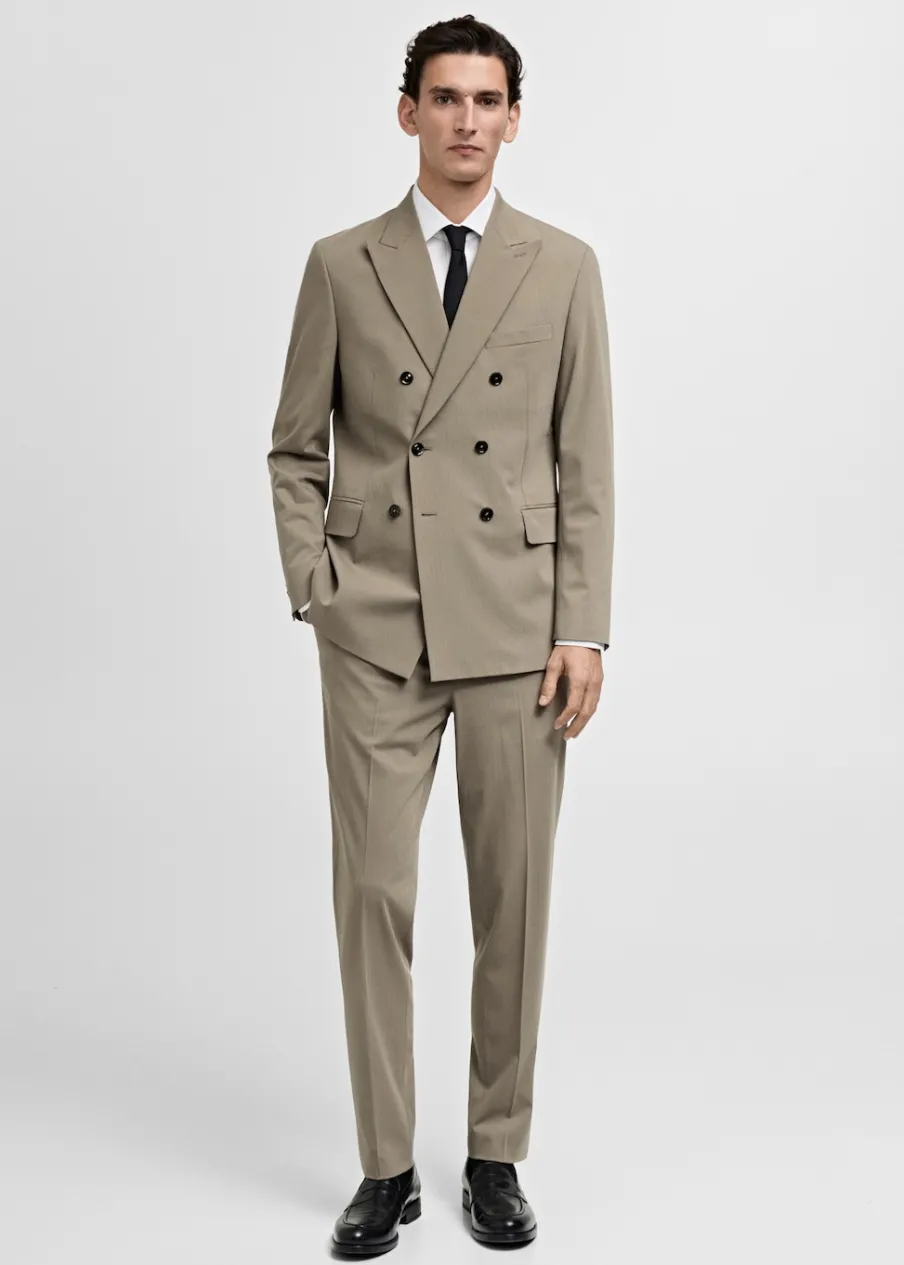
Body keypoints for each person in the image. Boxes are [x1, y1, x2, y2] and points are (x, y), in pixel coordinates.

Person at [266, 13, 614, 1254]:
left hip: (519, 629)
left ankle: (494, 1153)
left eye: (487, 99)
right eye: (446, 96)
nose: (467, 118)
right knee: (371, 891)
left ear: (514, 118)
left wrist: (584, 625)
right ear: (407, 111)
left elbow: (585, 460)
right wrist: (317, 582)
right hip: (375, 624)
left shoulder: (561, 265)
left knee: (513, 900)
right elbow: (294, 445)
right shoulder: (340, 263)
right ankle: (383, 1164)